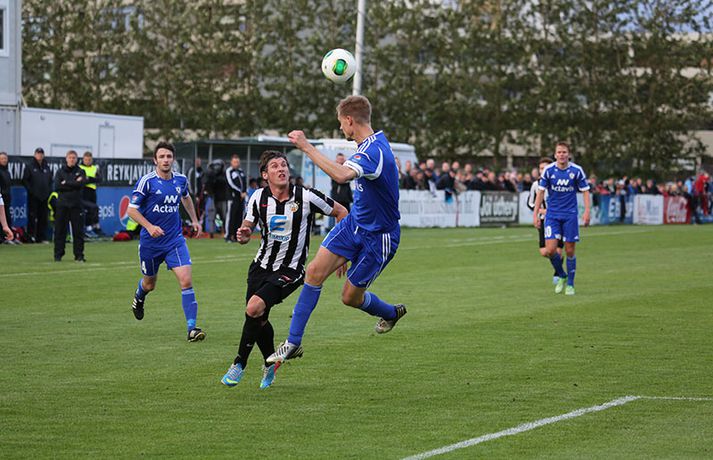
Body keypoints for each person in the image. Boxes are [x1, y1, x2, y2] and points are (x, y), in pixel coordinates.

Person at [267, 95, 407, 365]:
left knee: (350, 298)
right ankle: (293, 343)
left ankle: (391, 313)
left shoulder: (374, 151)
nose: (341, 128)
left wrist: (307, 147)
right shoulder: (368, 146)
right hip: (354, 225)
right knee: (314, 272)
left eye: (341, 123)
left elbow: (341, 175)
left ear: (350, 120)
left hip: (380, 237)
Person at [220, 151, 348, 389]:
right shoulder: (258, 197)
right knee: (259, 318)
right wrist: (244, 234)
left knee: (253, 308)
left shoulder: (306, 196)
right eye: (275, 166)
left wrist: (341, 253)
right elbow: (247, 227)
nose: (281, 169)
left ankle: (239, 363)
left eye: (284, 165)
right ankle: (270, 364)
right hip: (260, 266)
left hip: (291, 269)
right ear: (264, 175)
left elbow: (342, 212)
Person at [127, 142, 205, 342]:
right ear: (155, 160)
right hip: (150, 243)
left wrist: (195, 220)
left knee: (186, 280)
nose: (165, 160)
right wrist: (149, 227)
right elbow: (131, 210)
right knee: (149, 284)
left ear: (173, 159)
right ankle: (139, 297)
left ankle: (192, 329)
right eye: (161, 156)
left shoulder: (180, 180)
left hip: (174, 241)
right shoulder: (147, 182)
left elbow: (186, 198)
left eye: (169, 156)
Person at [533, 142, 591, 296]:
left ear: (568, 154)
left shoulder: (576, 171)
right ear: (555, 155)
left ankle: (570, 284)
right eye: (559, 152)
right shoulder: (548, 170)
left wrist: (587, 211)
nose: (561, 155)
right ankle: (562, 275)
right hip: (552, 215)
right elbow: (540, 193)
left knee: (569, 250)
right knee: (550, 250)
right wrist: (535, 214)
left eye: (564, 152)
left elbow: (585, 191)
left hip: (570, 215)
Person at [527, 158, 564, 285]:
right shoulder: (536, 185)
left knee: (557, 250)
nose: (543, 170)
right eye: (541, 168)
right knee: (544, 251)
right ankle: (559, 265)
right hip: (544, 220)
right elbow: (530, 203)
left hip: (558, 219)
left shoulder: (559, 183)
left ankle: (558, 273)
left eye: (545, 168)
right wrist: (540, 211)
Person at [53, 150, 88, 262]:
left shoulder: (81, 171)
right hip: (62, 205)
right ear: (66, 158)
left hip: (76, 205)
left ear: (76, 159)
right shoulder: (60, 172)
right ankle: (58, 254)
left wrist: (66, 182)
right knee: (60, 231)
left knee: (78, 232)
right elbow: (57, 186)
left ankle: (79, 255)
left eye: (74, 158)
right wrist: (73, 183)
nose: (72, 160)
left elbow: (81, 184)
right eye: (70, 157)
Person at [22, 147, 53, 243]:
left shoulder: (46, 167)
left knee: (43, 218)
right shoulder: (30, 166)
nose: (40, 155)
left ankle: (41, 237)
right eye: (38, 153)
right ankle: (31, 236)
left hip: (44, 197)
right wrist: (31, 191)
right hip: (33, 197)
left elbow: (50, 181)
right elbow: (25, 180)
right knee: (32, 217)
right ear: (35, 155)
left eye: (41, 153)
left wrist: (48, 191)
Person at [79, 151, 102, 237]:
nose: (88, 161)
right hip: (83, 191)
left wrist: (89, 178)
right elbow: (83, 180)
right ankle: (88, 228)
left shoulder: (94, 168)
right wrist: (90, 179)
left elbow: (99, 179)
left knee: (93, 210)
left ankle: (94, 228)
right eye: (86, 159)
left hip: (92, 191)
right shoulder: (80, 168)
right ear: (83, 159)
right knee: (90, 208)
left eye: (89, 160)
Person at [224, 154, 247, 242]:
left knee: (239, 217)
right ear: (231, 162)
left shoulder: (241, 171)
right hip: (232, 197)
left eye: (238, 162)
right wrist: (239, 192)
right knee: (230, 216)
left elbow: (244, 183)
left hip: (241, 198)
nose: (236, 164)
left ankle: (236, 236)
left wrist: (244, 192)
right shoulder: (229, 171)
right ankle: (228, 235)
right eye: (235, 162)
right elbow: (230, 183)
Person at [0, 152, 13, 244]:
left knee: (7, 216)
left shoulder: (7, 172)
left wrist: (5, 226)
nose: (4, 160)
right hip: (3, 196)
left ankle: (4, 238)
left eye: (5, 158)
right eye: (2, 158)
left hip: (6, 197)